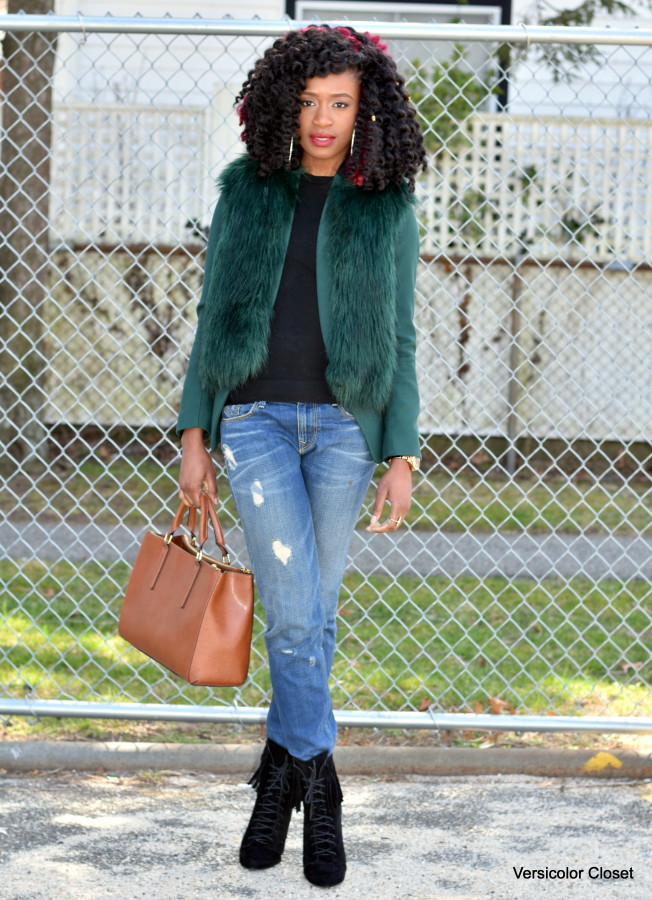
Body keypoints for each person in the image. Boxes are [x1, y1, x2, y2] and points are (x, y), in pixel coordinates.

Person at [176, 24, 426, 889]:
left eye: (341, 104)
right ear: (286, 104)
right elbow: (213, 319)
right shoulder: (247, 193)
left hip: (347, 430)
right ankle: (321, 790)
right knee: (291, 612)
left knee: (312, 614)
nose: (323, 120)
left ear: (367, 112)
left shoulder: (385, 205)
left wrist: (401, 453)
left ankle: (276, 773)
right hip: (253, 424)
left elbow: (400, 336)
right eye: (311, 102)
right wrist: (194, 436)